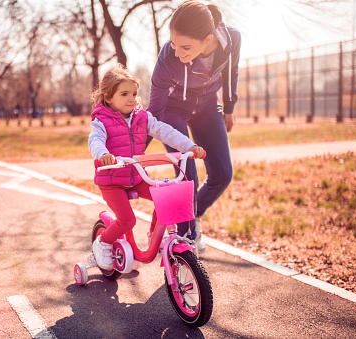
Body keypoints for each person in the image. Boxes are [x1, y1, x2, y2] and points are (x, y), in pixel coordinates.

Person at [88, 65, 205, 270]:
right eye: (124, 94)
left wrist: (189, 146)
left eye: (134, 93)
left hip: (136, 176)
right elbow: (95, 140)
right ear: (108, 98)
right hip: (112, 181)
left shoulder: (142, 117)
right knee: (127, 221)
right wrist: (103, 154)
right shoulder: (101, 121)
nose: (132, 98)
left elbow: (164, 131)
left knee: (166, 200)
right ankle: (103, 242)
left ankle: (155, 236)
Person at [147, 1, 241, 253]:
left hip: (208, 107)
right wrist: (134, 144)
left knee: (222, 174)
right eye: (175, 44)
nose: (177, 52)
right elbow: (154, 110)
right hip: (173, 110)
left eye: (185, 47)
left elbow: (231, 73)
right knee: (187, 169)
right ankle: (185, 239)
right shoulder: (168, 57)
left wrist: (229, 108)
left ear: (208, 39)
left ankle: (193, 215)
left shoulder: (231, 39)